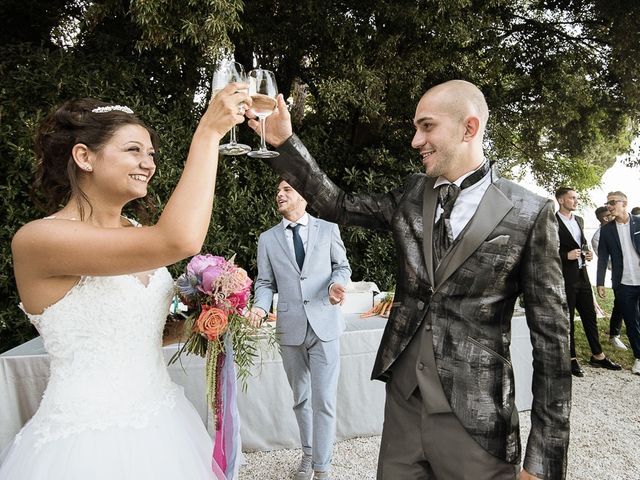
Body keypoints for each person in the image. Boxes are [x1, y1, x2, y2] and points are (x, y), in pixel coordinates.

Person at [247, 80, 571, 480]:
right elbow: (337, 204)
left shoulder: (530, 212)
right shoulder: (412, 193)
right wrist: (284, 140)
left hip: (476, 421)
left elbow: (553, 345)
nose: (416, 140)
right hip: (403, 408)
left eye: (427, 127)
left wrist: (542, 462)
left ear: (468, 128)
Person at [0, 88, 250, 480]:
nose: (147, 163)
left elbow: (141, 332)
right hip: (86, 444)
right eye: (133, 150)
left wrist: (210, 319)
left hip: (163, 420)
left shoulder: (136, 233)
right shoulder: (39, 240)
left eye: (150, 154)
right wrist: (208, 133)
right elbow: (179, 240)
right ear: (84, 157)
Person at [245, 179, 351, 480]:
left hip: (325, 324)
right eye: (277, 190)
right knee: (301, 398)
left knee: (325, 400)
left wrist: (335, 285)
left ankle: (322, 468)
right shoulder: (267, 239)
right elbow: (265, 283)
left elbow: (342, 267)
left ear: (304, 196)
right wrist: (260, 307)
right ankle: (307, 455)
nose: (279, 194)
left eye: (287, 189)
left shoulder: (328, 229)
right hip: (289, 328)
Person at [555, 187, 621, 377]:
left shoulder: (579, 220)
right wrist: (564, 255)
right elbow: (545, 249)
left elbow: (581, 243)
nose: (576, 201)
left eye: (577, 198)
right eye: (572, 198)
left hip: (583, 276)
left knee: (590, 317)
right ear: (561, 200)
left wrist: (588, 253)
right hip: (565, 277)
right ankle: (571, 358)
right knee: (568, 321)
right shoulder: (551, 220)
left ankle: (598, 355)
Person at [596, 191, 640, 375]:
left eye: (612, 202)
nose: (609, 206)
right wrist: (599, 282)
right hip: (623, 283)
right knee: (632, 322)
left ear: (625, 203)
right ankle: (639, 357)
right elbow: (603, 258)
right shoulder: (606, 230)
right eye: (607, 204)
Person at [592, 206, 628, 350]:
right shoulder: (597, 237)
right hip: (619, 273)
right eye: (609, 214)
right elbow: (605, 260)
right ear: (604, 218)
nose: (613, 214)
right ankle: (614, 335)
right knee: (620, 303)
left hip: (634, 272)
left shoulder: (620, 227)